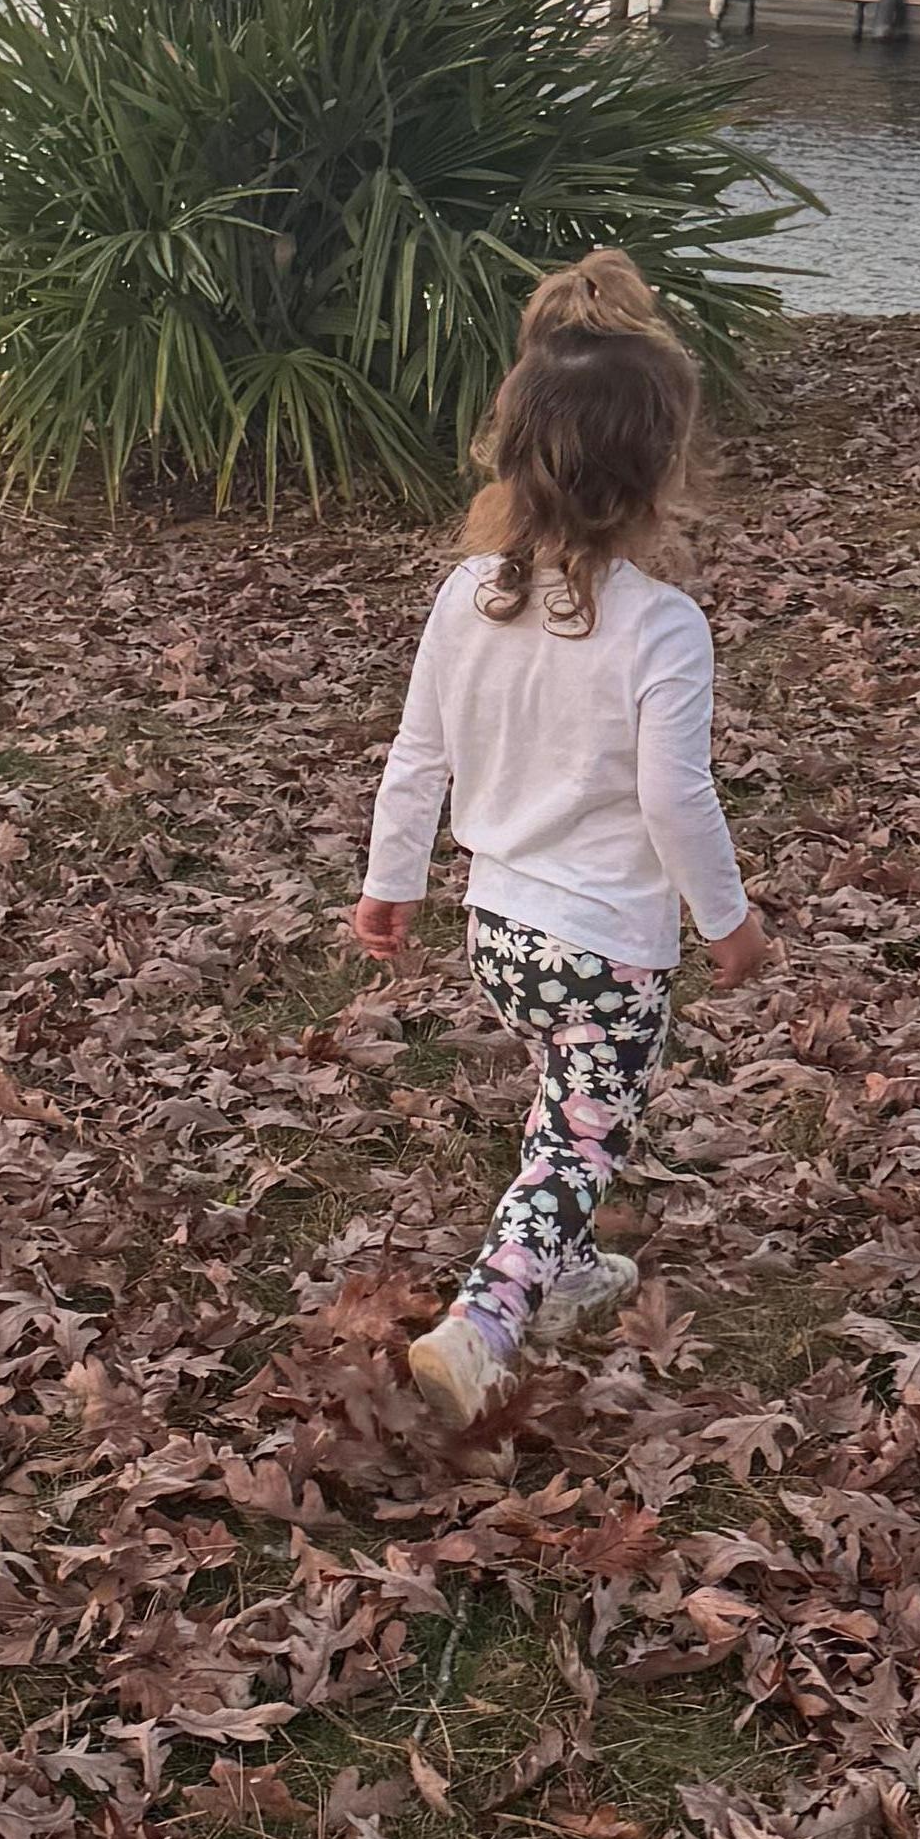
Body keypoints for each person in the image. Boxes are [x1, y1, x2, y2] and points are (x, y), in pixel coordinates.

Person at [348, 250, 771, 1433]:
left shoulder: (467, 594)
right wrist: (726, 922)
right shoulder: (663, 627)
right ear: (660, 471)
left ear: (514, 454)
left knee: (565, 1104)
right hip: (607, 949)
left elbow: (416, 751)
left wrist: (392, 886)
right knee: (581, 1140)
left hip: (500, 936)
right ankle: (482, 1325)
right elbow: (677, 797)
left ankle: (565, 1271)